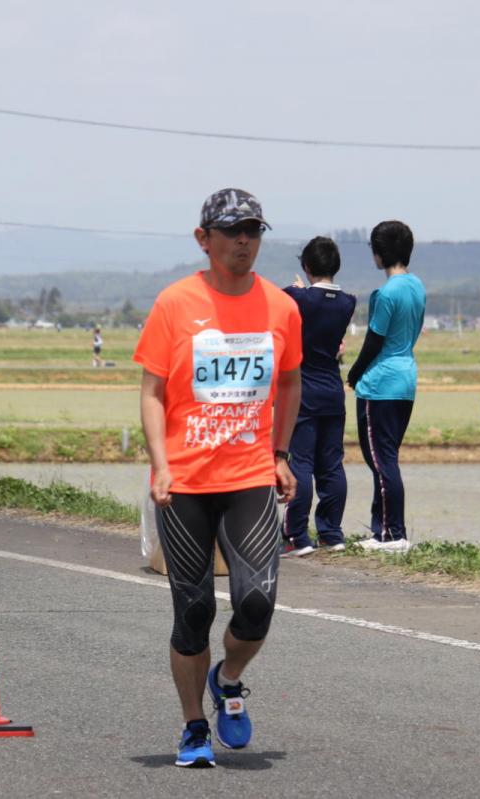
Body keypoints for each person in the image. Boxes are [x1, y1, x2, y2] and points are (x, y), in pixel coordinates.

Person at [134, 188, 301, 768]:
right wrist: (161, 463)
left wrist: (281, 453)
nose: (243, 242)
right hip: (184, 483)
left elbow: (290, 382)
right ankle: (193, 727)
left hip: (250, 476)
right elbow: (153, 393)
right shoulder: (175, 304)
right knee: (195, 609)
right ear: (204, 239)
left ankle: (227, 678)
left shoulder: (281, 307)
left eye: (252, 231)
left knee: (258, 600)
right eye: (231, 231)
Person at [346, 220, 425, 553]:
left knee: (380, 461)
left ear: (379, 253)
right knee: (387, 458)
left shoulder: (385, 294)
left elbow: (373, 340)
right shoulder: (417, 286)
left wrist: (354, 373)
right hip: (406, 378)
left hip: (379, 384)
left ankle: (393, 534)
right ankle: (382, 531)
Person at [279, 236, 356, 557]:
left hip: (304, 389)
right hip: (332, 390)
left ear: (306, 266)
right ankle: (332, 533)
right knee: (331, 464)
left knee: (303, 462)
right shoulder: (349, 301)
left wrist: (298, 289)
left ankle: (297, 535)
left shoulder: (298, 298)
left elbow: (282, 297)